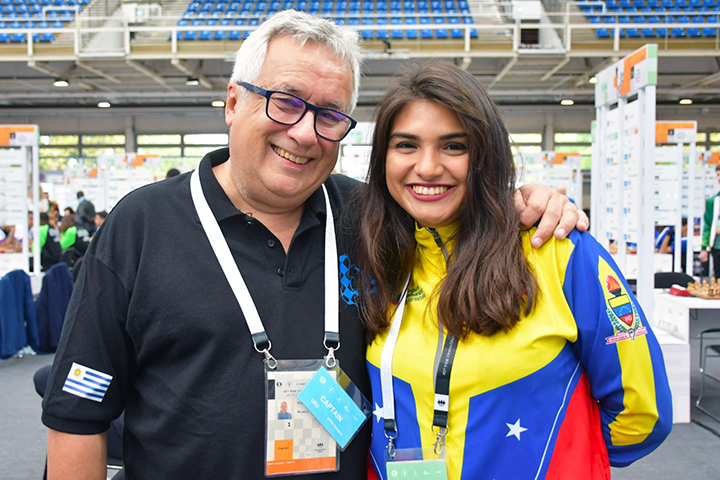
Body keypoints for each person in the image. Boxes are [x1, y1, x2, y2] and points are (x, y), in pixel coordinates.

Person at [42, 11, 586, 480]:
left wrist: (529, 202)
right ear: (234, 102)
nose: (304, 132)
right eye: (285, 101)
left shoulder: (376, 217)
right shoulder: (142, 224)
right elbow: (78, 417)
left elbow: (460, 216)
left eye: (329, 115)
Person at [356, 62, 672, 480]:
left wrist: (561, 460)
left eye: (454, 146)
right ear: (383, 159)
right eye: (406, 145)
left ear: (486, 154)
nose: (429, 167)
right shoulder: (375, 255)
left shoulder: (556, 249)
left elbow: (642, 414)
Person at [700, 163, 720, 279]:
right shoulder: (712, 201)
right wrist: (704, 248)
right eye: (718, 175)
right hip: (717, 247)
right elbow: (707, 225)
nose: (719, 178)